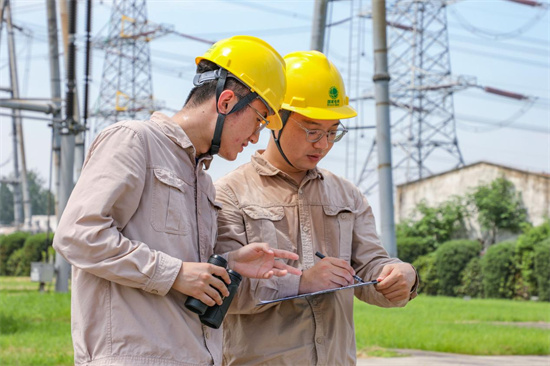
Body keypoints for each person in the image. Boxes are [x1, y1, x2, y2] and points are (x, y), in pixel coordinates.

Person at [53, 35, 301, 366]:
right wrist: (174, 273)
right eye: (258, 119)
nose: (256, 137)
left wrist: (228, 263)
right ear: (226, 101)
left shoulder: (202, 180)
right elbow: (78, 236)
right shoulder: (134, 142)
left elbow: (184, 269)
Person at [214, 50, 419, 366]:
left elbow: (370, 268)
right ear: (275, 119)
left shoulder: (347, 195)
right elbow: (223, 292)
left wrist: (400, 276)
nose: (323, 144)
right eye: (312, 130)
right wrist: (302, 281)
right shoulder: (229, 194)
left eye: (333, 132)